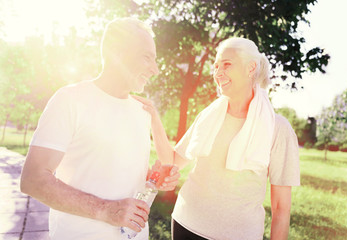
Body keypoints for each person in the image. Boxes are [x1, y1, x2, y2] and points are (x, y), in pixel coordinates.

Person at [20, 17, 180, 240]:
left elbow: (114, 171)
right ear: (117, 53)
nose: (155, 70)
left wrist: (153, 180)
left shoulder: (141, 112)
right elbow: (33, 179)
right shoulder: (69, 100)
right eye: (147, 58)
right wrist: (106, 210)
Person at [136, 37, 300, 240]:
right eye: (216, 66)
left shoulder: (278, 128)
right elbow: (172, 160)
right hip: (186, 223)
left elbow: (281, 208)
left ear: (250, 68)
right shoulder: (209, 115)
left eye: (227, 64)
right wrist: (153, 116)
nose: (218, 72)